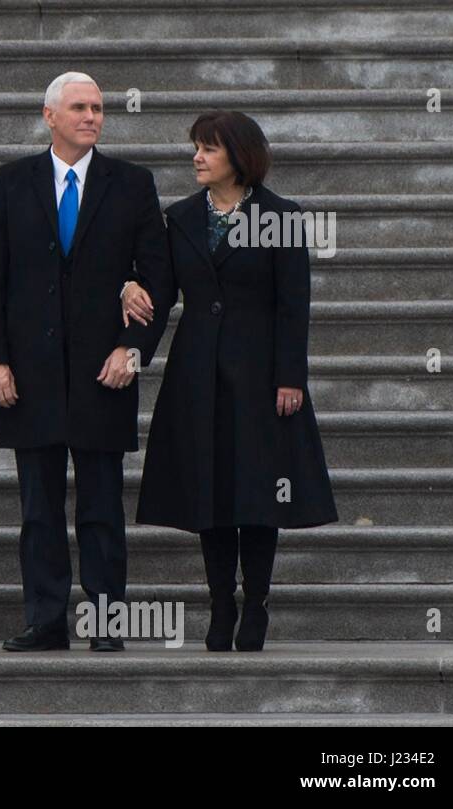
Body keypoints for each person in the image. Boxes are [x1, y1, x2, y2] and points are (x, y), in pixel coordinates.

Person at [0, 71, 170, 652]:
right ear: (49, 115)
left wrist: (133, 351)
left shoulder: (132, 184)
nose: (92, 116)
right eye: (80, 107)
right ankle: (45, 620)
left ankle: (107, 622)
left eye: (99, 108)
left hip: (103, 375)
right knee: (38, 511)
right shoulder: (12, 182)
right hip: (27, 378)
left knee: (103, 509)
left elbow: (159, 277)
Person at [133, 110, 337, 651]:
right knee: (211, 492)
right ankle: (220, 605)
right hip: (197, 375)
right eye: (195, 147)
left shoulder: (281, 216)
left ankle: (257, 605)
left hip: (261, 377)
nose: (196, 157)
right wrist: (130, 338)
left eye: (208, 149)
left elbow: (295, 307)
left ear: (239, 156)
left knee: (257, 495)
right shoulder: (178, 218)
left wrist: (291, 377)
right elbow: (158, 298)